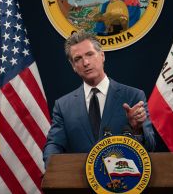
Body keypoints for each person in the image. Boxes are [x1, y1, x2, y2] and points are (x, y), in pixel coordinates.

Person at [43, 31, 155, 166]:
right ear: (73, 66)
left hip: (124, 181)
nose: (85, 62)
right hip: (78, 182)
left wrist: (137, 129)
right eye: (78, 59)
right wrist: (51, 169)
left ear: (102, 56)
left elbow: (150, 146)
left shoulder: (133, 96)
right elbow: (54, 145)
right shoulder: (63, 106)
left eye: (90, 54)